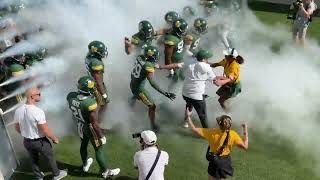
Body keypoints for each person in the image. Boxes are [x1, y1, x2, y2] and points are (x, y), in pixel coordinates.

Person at [66, 76, 120, 178]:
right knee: (98, 149)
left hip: (80, 125)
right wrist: (101, 136)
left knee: (83, 145)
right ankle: (106, 171)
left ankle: (85, 164)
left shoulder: (70, 96)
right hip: (89, 127)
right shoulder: (89, 103)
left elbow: (77, 96)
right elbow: (94, 123)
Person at [157, 49, 221, 128]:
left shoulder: (190, 63)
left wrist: (161, 67)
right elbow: (216, 83)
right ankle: (207, 132)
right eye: (207, 58)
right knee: (202, 115)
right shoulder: (207, 67)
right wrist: (229, 79)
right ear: (204, 59)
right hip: (197, 96)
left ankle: (186, 121)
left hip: (186, 93)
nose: (208, 60)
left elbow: (175, 65)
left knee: (189, 104)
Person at [14, 87, 67, 180]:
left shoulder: (18, 110)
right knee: (49, 157)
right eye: (39, 94)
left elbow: (17, 127)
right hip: (40, 142)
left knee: (33, 159)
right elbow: (45, 129)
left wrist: (26, 134)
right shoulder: (37, 111)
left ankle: (39, 177)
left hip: (26, 141)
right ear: (32, 96)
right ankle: (56, 175)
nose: (40, 95)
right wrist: (54, 138)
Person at [186, 110, 248, 180]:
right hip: (225, 162)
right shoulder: (233, 134)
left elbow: (194, 129)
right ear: (230, 126)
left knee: (211, 178)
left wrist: (188, 116)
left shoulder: (212, 132)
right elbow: (245, 146)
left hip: (214, 160)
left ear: (219, 125)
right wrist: (245, 129)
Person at [130, 46, 176, 132]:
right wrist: (165, 93)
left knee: (135, 97)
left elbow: (147, 64)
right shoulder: (148, 66)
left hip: (133, 82)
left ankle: (130, 105)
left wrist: (156, 66)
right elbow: (152, 84)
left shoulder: (140, 57)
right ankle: (153, 126)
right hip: (139, 88)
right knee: (152, 106)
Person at [85, 40, 109, 123]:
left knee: (96, 105)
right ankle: (96, 125)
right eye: (101, 51)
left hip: (91, 82)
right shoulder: (96, 63)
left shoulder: (89, 56)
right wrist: (104, 95)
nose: (104, 53)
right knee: (104, 105)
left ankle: (94, 123)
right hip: (96, 86)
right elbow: (98, 82)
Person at [163, 18, 188, 89]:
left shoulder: (177, 35)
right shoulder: (171, 39)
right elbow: (167, 56)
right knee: (175, 79)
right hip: (174, 63)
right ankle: (168, 94)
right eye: (184, 29)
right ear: (178, 30)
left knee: (183, 77)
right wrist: (171, 69)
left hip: (180, 61)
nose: (185, 31)